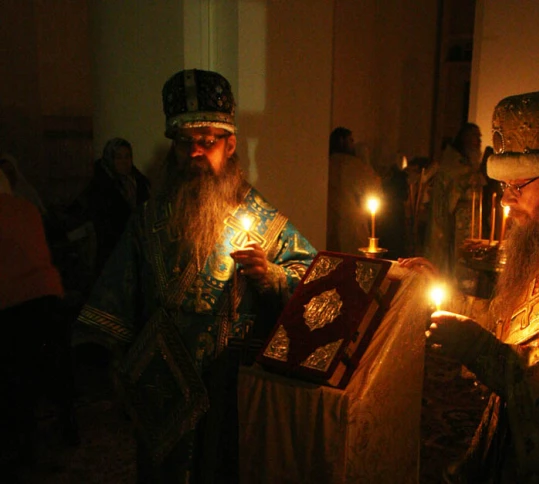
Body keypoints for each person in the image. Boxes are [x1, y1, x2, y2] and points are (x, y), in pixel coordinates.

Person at [73, 69, 317, 483]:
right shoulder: (148, 219)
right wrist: (115, 361)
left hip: (227, 386)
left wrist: (273, 276)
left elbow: (312, 281)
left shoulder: (264, 220)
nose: (196, 152)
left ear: (231, 145)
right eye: (185, 143)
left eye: (208, 141)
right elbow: (117, 290)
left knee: (221, 468)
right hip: (160, 382)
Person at [400, 89, 539, 482]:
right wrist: (452, 300)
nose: (507, 202)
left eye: (518, 187)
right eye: (503, 188)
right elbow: (523, 322)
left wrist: (483, 352)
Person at [0, 165, 65, 478]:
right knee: (36, 381)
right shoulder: (26, 208)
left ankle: (20, 454)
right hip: (47, 299)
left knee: (15, 386)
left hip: (12, 305)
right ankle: (50, 443)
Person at [75, 137, 151, 276]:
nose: (124, 162)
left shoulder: (138, 182)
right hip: (111, 250)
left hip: (136, 248)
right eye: (119, 157)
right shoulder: (100, 186)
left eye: (127, 157)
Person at [424, 123, 487, 285]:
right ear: (464, 138)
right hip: (456, 223)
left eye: (479, 137)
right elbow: (454, 186)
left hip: (472, 219)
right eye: (475, 136)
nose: (479, 140)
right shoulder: (452, 162)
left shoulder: (468, 163)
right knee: (455, 262)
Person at [327, 126, 382, 254]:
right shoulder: (355, 165)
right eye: (351, 140)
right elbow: (374, 189)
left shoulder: (326, 162)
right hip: (351, 223)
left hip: (329, 223)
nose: (353, 145)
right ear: (342, 141)